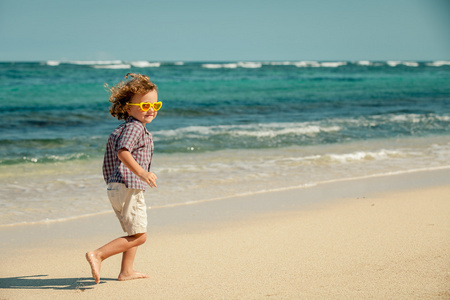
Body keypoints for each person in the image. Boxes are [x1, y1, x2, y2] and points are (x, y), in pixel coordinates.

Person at [86, 73, 162, 283]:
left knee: (133, 231)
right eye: (145, 106)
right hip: (127, 184)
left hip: (118, 186)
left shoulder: (126, 127)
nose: (152, 110)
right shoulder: (134, 127)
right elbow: (123, 152)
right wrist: (142, 172)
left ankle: (126, 271)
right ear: (128, 108)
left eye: (156, 105)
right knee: (140, 236)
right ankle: (98, 254)